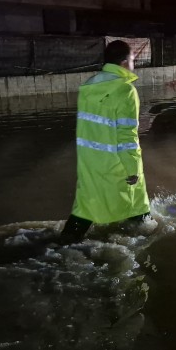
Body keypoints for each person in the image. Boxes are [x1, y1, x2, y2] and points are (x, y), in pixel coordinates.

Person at [60, 40, 151, 243]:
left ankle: (65, 241)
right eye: (132, 60)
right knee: (136, 202)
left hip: (89, 160)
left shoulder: (89, 87)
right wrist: (133, 168)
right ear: (124, 63)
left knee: (86, 203)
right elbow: (127, 136)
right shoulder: (125, 91)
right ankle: (148, 236)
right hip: (116, 162)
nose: (133, 64)